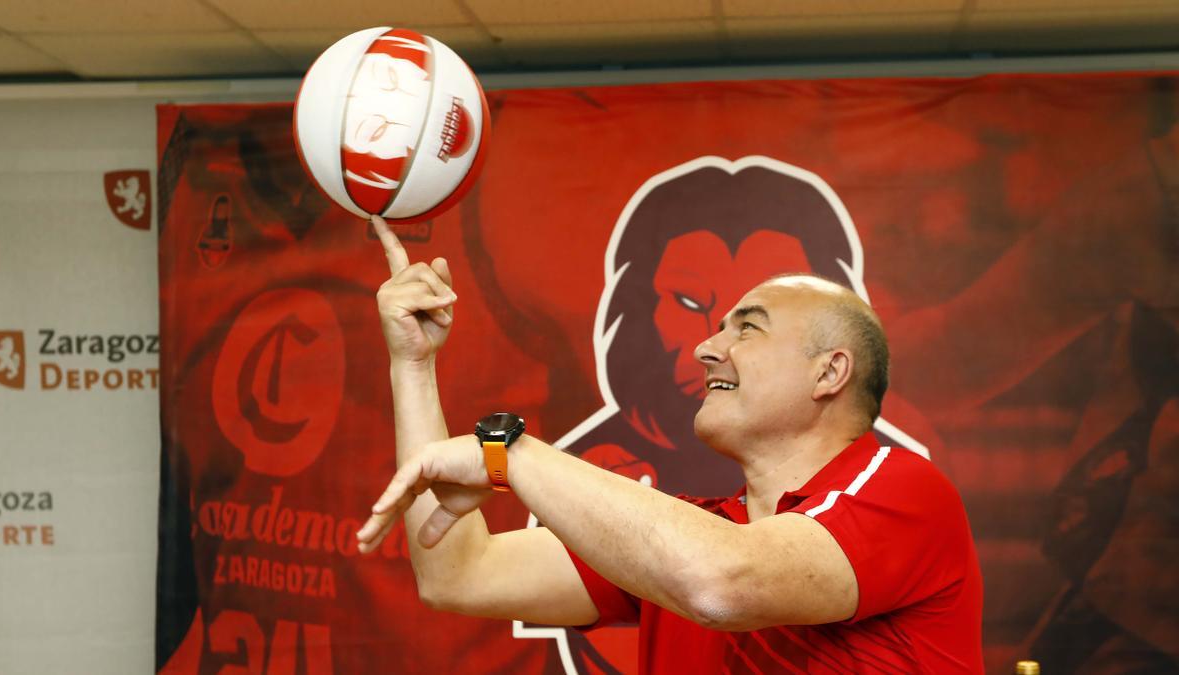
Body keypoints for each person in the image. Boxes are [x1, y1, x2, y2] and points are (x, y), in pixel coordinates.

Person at [356, 215, 984, 673]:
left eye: (748, 329)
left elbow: (723, 584)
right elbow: (458, 574)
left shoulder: (905, 491)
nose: (707, 348)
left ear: (829, 373)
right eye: (712, 326)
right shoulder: (685, 539)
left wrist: (511, 453)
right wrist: (411, 365)